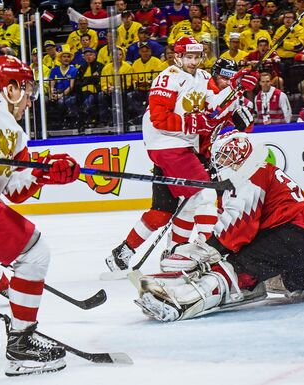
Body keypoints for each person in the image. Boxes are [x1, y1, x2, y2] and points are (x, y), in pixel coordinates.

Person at [132, 132, 304, 322]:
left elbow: (239, 223)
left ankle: (181, 300)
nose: (221, 163)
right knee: (292, 281)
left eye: (225, 157)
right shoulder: (264, 172)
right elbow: (250, 227)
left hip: (295, 236)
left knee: (234, 268)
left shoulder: (251, 171)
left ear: (239, 156)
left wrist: (206, 250)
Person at [104, 36, 259, 272]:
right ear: (177, 56)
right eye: (189, 56)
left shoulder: (204, 78)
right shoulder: (168, 78)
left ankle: (151, 253)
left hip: (186, 150)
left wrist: (235, 90)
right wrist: (192, 124)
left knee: (165, 211)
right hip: (168, 145)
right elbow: (159, 118)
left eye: (197, 57)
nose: (194, 61)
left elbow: (215, 106)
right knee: (206, 195)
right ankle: (210, 256)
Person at [0, 55, 80, 375]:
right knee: (34, 252)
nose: (30, 98)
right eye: (27, 89)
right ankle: (22, 346)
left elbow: (13, 190)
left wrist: (47, 173)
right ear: (11, 87)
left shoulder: (14, 137)